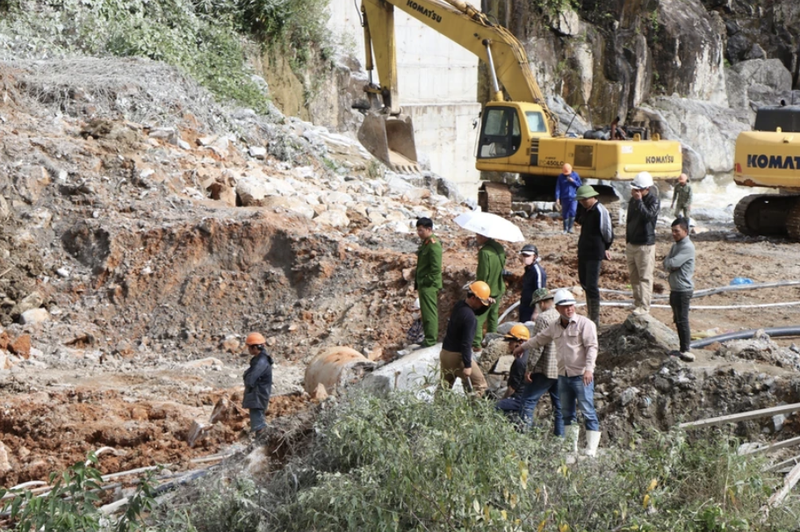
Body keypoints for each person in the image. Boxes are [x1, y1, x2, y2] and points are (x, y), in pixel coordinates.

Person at [513, 289, 600, 457]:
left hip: (581, 376)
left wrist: (589, 369)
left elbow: (592, 348)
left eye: (571, 306)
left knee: (587, 410)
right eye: (565, 306)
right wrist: (522, 347)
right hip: (563, 376)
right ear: (558, 308)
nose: (569, 309)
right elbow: (538, 340)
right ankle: (570, 447)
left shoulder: (585, 324)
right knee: (566, 412)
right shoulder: (555, 326)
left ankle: (591, 450)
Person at [516, 288, 563, 436]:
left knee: (528, 402)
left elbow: (537, 347)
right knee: (560, 407)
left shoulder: (543, 318)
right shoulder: (562, 315)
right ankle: (560, 440)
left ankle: (524, 438)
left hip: (546, 369)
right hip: (561, 368)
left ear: (541, 303)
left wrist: (529, 368)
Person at [440, 281, 492, 396]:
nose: (482, 305)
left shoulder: (460, 305)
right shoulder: (470, 319)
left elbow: (476, 310)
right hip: (457, 357)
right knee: (480, 386)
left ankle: (436, 411)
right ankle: (474, 412)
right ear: (473, 297)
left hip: (445, 354)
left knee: (444, 387)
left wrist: (487, 305)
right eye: (481, 302)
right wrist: (468, 365)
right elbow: (466, 344)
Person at [575, 185, 614, 326]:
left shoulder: (600, 210)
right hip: (584, 251)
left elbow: (607, 232)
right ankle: (590, 314)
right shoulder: (585, 210)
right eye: (581, 200)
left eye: (585, 199)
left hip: (595, 252)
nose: (583, 202)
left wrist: (606, 247)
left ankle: (594, 319)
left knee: (592, 285)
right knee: (584, 283)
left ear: (593, 197)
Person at [626, 171, 660, 315]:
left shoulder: (653, 201)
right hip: (632, 243)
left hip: (645, 244)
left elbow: (648, 217)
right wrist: (627, 240)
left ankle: (644, 306)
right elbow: (629, 220)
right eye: (634, 189)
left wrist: (639, 201)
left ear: (647, 188)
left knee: (645, 277)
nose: (635, 192)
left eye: (638, 189)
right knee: (634, 277)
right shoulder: (633, 200)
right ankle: (637, 302)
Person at [663, 218, 696, 362]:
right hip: (675, 288)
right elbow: (667, 264)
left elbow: (672, 263)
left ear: (686, 231)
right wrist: (669, 264)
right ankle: (682, 348)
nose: (674, 234)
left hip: (683, 290)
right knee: (677, 320)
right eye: (672, 231)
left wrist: (669, 264)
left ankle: (686, 350)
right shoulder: (675, 245)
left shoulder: (687, 247)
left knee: (682, 320)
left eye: (677, 231)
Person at [473, 234, 506, 350]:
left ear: (483, 236)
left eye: (478, 235)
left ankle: (476, 345)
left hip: (487, 290)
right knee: (493, 317)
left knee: (478, 319)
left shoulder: (484, 252)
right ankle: (493, 344)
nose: (476, 237)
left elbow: (483, 274)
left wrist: (479, 293)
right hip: (498, 288)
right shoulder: (499, 248)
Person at [415, 217, 443, 347]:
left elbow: (436, 269)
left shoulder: (433, 245)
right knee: (425, 313)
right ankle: (428, 337)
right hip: (424, 283)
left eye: (421, 230)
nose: (419, 233)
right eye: (418, 230)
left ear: (429, 229)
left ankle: (431, 339)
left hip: (429, 285)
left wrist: (426, 281)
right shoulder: (426, 243)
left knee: (429, 313)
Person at [495, 324, 532, 418]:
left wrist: (502, 399)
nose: (509, 345)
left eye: (511, 342)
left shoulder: (519, 362)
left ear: (519, 342)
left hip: (519, 399)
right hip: (528, 396)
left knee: (494, 407)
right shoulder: (529, 355)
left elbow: (512, 388)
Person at [242, 332, 273, 437]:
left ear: (256, 347)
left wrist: (247, 378)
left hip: (258, 395)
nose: (249, 349)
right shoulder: (260, 360)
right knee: (258, 421)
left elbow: (251, 379)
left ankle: (261, 443)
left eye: (250, 347)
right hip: (258, 394)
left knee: (258, 424)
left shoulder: (261, 362)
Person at [518, 244, 546, 323]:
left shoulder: (537, 272)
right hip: (524, 306)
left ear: (535, 256)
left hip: (532, 308)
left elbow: (541, 293)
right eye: (524, 255)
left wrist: (536, 312)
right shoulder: (528, 269)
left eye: (528, 255)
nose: (525, 258)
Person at [555, 163, 582, 234]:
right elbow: (558, 188)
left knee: (573, 211)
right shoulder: (561, 177)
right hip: (564, 197)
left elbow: (580, 184)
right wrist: (557, 198)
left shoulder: (575, 175)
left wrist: (573, 181)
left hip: (573, 197)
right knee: (565, 213)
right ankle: (565, 229)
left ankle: (570, 228)